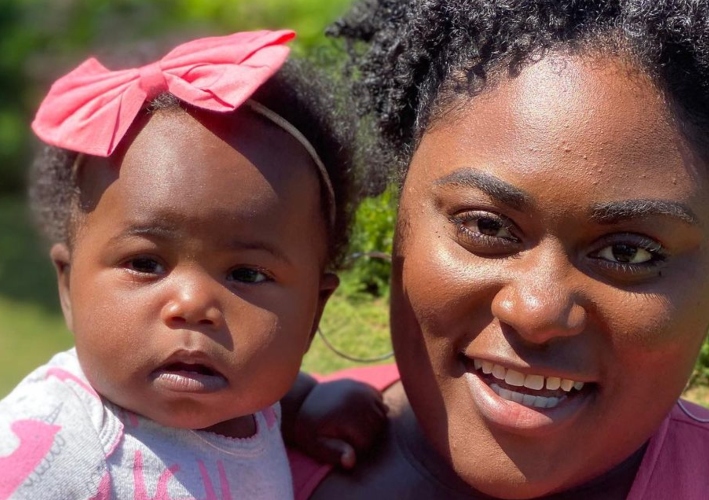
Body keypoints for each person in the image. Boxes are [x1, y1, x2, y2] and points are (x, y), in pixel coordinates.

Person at [290, 1, 709, 498]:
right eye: (487, 225)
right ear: (399, 208)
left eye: (628, 254)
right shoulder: (230, 458)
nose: (536, 312)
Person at [0, 30, 387, 499]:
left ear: (313, 313)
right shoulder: (52, 440)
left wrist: (313, 402)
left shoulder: (257, 402)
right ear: (68, 287)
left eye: (247, 274)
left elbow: (281, 396)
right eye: (145, 263)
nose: (191, 304)